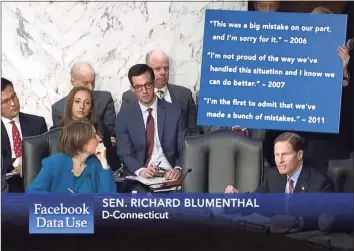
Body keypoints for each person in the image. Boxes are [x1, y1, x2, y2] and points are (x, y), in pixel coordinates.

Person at [116, 64, 187, 191]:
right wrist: (141, 171)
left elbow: (184, 147)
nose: (144, 91)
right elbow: (124, 153)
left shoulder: (174, 112)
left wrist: (177, 169)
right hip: (140, 179)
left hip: (170, 177)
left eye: (147, 85)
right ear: (132, 89)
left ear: (154, 83)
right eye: (138, 87)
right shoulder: (124, 116)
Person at [121, 50, 199, 136]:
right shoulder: (130, 97)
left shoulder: (184, 95)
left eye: (166, 68)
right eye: (157, 69)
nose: (163, 72)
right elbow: (124, 133)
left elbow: (194, 133)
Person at [225, 132, 333, 193]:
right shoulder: (272, 176)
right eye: (277, 155)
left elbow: (319, 219)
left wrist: (296, 221)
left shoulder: (320, 183)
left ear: (299, 155)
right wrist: (238, 198)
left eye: (285, 154)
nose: (280, 161)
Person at [27, 120, 116, 193]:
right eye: (94, 136)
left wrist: (104, 163)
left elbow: (108, 201)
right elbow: (33, 193)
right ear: (82, 141)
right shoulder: (55, 163)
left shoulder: (96, 164)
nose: (99, 139)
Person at [51, 86, 120, 170]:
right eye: (77, 101)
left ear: (91, 108)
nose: (82, 107)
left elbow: (112, 161)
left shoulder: (100, 127)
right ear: (70, 104)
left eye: (87, 103)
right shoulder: (57, 130)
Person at [1, 78, 48, 192]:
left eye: (13, 97)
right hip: (6, 186)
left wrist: (29, 162)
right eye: (5, 101)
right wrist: (18, 161)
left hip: (36, 182)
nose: (12, 103)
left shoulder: (37, 123)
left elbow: (47, 154)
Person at [51, 62, 116, 142]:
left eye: (93, 83)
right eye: (85, 83)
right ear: (73, 82)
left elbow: (110, 135)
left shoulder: (105, 98)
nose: (90, 88)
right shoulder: (58, 108)